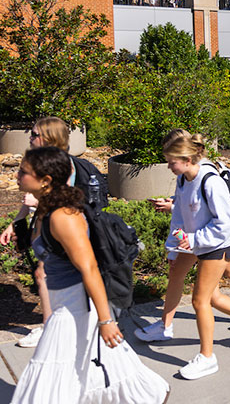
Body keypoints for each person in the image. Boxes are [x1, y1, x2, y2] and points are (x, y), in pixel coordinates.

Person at [11, 147, 169, 404]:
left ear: (46, 180)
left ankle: (146, 394)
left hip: (76, 305)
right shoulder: (46, 209)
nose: (17, 176)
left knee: (51, 368)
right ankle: (147, 394)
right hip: (65, 299)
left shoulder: (63, 217)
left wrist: (106, 321)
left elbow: (90, 268)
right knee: (94, 361)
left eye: (24, 172)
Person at [135, 131, 230, 345]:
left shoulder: (208, 179)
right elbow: (181, 216)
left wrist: (194, 239)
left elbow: (225, 221)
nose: (168, 166)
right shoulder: (183, 178)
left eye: (171, 161)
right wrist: (173, 247)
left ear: (186, 156)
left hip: (214, 243)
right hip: (196, 240)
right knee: (186, 280)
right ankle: (166, 326)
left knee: (206, 298)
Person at [0, 117, 107, 349]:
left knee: (45, 274)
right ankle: (52, 325)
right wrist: (15, 222)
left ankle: (53, 326)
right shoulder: (41, 161)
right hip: (45, 226)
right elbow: (32, 197)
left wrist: (106, 320)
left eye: (35, 134)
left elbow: (66, 202)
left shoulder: (61, 164)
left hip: (60, 230)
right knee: (43, 274)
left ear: (49, 137)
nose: (30, 137)